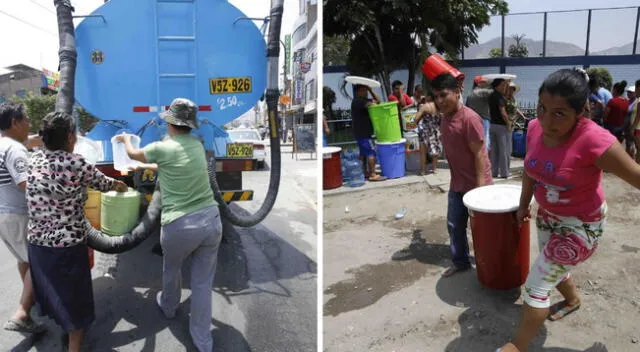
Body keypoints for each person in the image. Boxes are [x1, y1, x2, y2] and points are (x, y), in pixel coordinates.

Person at [498, 68, 640, 352]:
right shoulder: (536, 128)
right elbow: (529, 169)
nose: (548, 120)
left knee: (536, 287)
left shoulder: (595, 140)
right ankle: (573, 300)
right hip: (548, 216)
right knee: (553, 268)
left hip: (582, 224)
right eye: (542, 108)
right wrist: (524, 205)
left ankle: (517, 347)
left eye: (560, 113)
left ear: (581, 112)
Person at [116, 98, 223, 352]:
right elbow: (169, 163)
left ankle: (169, 306)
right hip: (211, 220)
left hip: (180, 225)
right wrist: (146, 164)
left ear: (171, 123)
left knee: (172, 268)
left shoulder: (162, 146)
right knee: (202, 284)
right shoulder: (196, 145)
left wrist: (125, 140)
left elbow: (132, 154)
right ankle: (203, 341)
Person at [26, 112, 127, 352]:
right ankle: (73, 346)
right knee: (75, 299)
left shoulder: (33, 160)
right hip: (67, 246)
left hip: (38, 244)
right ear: (71, 137)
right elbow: (105, 183)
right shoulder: (76, 163)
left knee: (52, 290)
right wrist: (121, 186)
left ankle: (61, 324)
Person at [430, 73, 492, 277]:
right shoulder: (445, 117)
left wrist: (481, 191)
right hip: (457, 185)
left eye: (443, 95)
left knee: (482, 230)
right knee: (454, 225)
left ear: (457, 93)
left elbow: (480, 156)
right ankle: (461, 262)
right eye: (435, 97)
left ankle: (489, 263)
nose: (439, 101)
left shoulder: (470, 119)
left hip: (477, 186)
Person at [0, 102, 45, 334]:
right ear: (14, 122)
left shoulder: (3, 144)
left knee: (23, 258)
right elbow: (25, 184)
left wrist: (31, 141)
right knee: (38, 263)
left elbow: (25, 143)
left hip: (3, 215)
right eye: (25, 119)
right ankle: (22, 313)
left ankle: (31, 298)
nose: (29, 123)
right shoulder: (15, 150)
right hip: (19, 215)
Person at [351, 84, 386, 181]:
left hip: (360, 132)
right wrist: (371, 95)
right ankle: (373, 174)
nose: (365, 92)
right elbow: (376, 104)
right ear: (358, 92)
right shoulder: (359, 102)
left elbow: (378, 101)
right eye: (363, 91)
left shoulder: (362, 101)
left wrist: (371, 90)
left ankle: (362, 172)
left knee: (363, 154)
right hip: (363, 133)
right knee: (371, 152)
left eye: (366, 90)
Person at [489, 78, 512, 178]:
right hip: (501, 126)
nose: (504, 87)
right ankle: (504, 173)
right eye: (503, 85)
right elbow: (503, 112)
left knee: (494, 150)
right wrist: (508, 123)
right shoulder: (499, 97)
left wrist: (507, 83)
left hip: (492, 124)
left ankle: (493, 172)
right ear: (497, 85)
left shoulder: (490, 95)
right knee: (503, 150)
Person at [414, 96, 441, 175]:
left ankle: (422, 170)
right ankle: (434, 169)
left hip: (426, 130)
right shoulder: (438, 105)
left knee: (423, 151)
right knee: (435, 150)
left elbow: (416, 119)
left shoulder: (425, 106)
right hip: (436, 129)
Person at [465, 76, 493, 151]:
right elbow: (494, 91)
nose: (485, 83)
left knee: (475, 139)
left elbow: (467, 107)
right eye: (483, 82)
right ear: (478, 83)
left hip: (473, 120)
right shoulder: (483, 92)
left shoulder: (470, 94)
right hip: (483, 119)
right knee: (485, 139)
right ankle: (484, 157)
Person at [630, 80, 640, 163]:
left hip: (638, 129)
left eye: (636, 88)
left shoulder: (639, 101)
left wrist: (632, 128)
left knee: (639, 150)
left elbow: (638, 117)